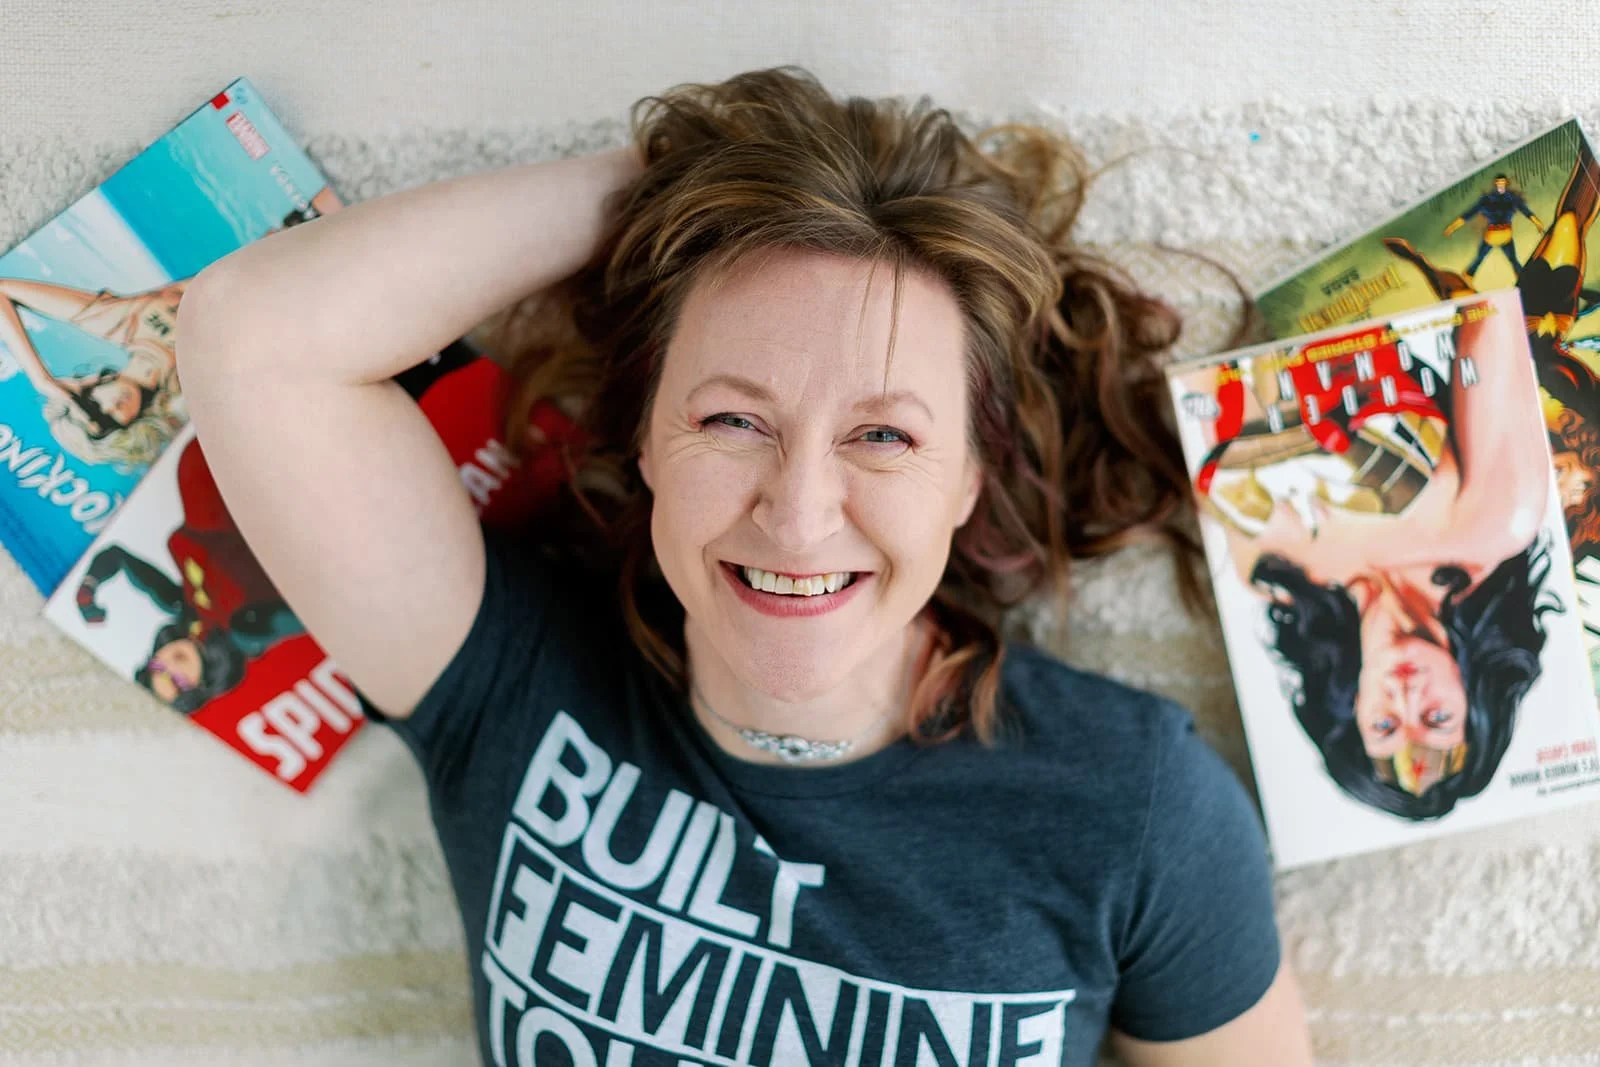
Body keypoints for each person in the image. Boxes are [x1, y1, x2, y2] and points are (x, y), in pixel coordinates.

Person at [175, 67, 1313, 1066]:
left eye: (884, 435)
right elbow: (249, 333)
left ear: (969, 479)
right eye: (731, 420)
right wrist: (691, 180)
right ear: (642, 442)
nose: (800, 513)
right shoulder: (513, 681)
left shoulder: (1135, 807)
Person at [1201, 288, 1561, 818]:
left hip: (1225, 312)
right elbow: (1488, 308)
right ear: (1474, 701)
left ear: (1354, 709)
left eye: (1385, 725)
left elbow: (1205, 395)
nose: (1406, 697)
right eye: (1436, 717)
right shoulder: (1495, 522)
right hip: (1346, 283)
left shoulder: (1269, 573)